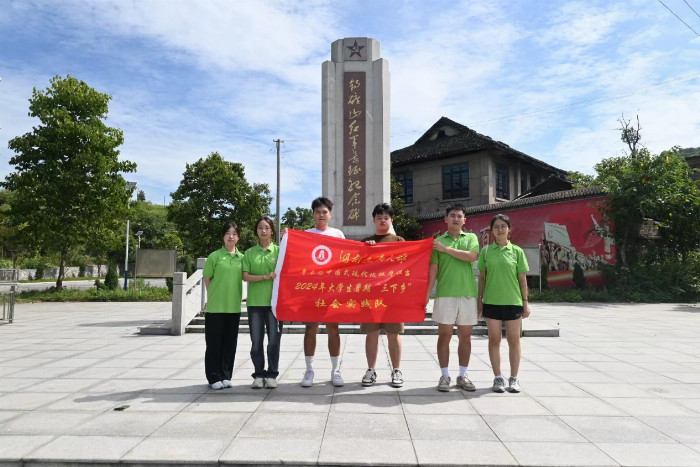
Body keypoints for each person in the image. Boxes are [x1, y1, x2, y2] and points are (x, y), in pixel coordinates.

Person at [426, 204, 479, 392]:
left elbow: (471, 257)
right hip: (445, 295)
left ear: (465, 220)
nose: (456, 219)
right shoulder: (437, 242)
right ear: (445, 219)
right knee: (444, 336)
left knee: (465, 337)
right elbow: (433, 270)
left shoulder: (471, 238)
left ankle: (462, 375)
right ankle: (445, 375)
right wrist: (427, 294)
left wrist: (446, 249)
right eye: (452, 215)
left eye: (459, 216)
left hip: (467, 294)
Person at [477, 214, 530, 393]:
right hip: (491, 302)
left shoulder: (517, 251)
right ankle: (498, 378)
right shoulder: (485, 252)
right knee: (494, 340)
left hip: (513, 302)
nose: (500, 229)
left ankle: (514, 378)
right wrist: (480, 301)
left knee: (514, 340)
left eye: (503, 226)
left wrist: (525, 302)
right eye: (496, 227)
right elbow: (482, 278)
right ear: (491, 231)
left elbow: (522, 279)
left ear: (509, 229)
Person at [301, 197, 345, 387]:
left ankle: (335, 370)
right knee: (311, 328)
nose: (321, 215)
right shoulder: (305, 234)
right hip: (312, 290)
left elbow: (346, 259)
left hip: (332, 290)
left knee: (333, 329)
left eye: (324, 212)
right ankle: (309, 370)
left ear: (330, 214)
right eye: (318, 211)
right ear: (313, 214)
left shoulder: (337, 234)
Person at [360, 203, 405, 388]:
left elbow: (407, 266)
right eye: (379, 217)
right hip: (371, 296)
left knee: (394, 334)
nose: (382, 220)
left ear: (391, 220)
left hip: (393, 297)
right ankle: (371, 370)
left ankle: (396, 370)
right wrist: (366, 249)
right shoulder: (366, 242)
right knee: (372, 333)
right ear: (373, 220)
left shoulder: (399, 241)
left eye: (386, 217)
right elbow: (358, 269)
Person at [202, 221, 244, 390]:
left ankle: (226, 375)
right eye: (228, 233)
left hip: (233, 307)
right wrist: (215, 296)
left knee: (230, 344)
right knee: (214, 344)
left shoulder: (242, 258)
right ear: (223, 236)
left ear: (238, 237)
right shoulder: (215, 256)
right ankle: (213, 377)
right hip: (215, 308)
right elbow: (207, 279)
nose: (231, 236)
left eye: (234, 233)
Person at [242, 216, 281, 389]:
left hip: (274, 304)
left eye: (266, 228)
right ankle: (258, 374)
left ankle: (272, 374)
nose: (263, 231)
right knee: (256, 341)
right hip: (255, 304)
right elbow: (245, 276)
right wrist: (265, 277)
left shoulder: (279, 251)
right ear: (256, 231)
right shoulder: (250, 253)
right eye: (260, 228)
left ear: (272, 231)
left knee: (274, 341)